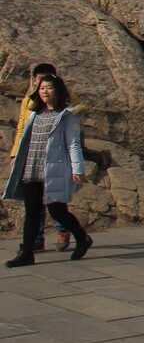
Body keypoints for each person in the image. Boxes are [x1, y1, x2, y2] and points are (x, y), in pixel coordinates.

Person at [4, 74, 93, 267]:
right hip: (32, 166)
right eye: (42, 88)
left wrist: (78, 168)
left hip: (53, 168)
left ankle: (81, 237)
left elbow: (73, 143)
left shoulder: (68, 115)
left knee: (57, 211)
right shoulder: (35, 113)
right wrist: (16, 157)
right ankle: (26, 252)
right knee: (32, 211)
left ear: (58, 90)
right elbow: (24, 139)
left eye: (49, 87)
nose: (45, 91)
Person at [9, 63, 72, 252]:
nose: (43, 88)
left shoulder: (66, 102)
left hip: (54, 157)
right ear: (34, 81)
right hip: (32, 156)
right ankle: (36, 240)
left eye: (48, 82)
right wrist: (15, 152)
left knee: (55, 201)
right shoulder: (29, 102)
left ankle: (64, 231)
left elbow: (72, 134)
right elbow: (22, 128)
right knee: (33, 204)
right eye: (39, 82)